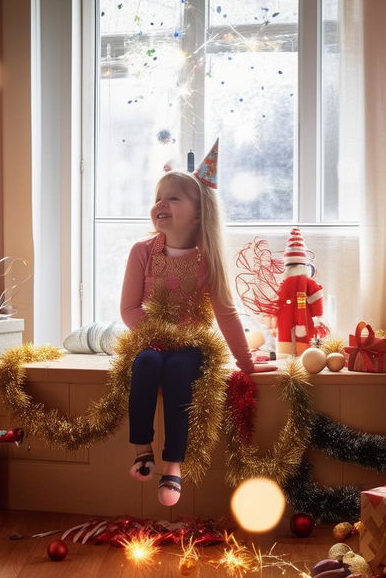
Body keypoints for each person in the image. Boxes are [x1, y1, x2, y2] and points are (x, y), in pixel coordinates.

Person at [120, 140, 275, 507]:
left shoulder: (207, 259)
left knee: (178, 374)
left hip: (193, 345)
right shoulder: (143, 252)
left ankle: (173, 464)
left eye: (173, 198)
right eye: (159, 197)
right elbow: (129, 309)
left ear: (198, 213)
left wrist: (246, 362)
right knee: (144, 364)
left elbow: (226, 314)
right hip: (152, 339)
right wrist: (160, 335)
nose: (162, 204)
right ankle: (143, 449)